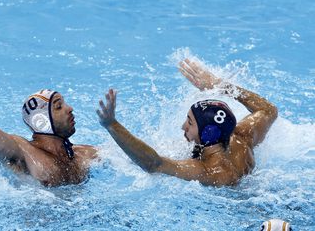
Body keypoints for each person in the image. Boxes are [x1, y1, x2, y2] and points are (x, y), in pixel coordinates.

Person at [96, 58, 278, 186]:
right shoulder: (241, 136)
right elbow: (269, 110)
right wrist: (219, 84)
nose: (183, 126)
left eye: (190, 123)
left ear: (209, 133)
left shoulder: (212, 172)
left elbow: (154, 164)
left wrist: (112, 125)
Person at [0, 73, 97, 187]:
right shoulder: (24, 152)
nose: (70, 109)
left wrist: (110, 124)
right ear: (41, 121)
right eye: (58, 106)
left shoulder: (83, 154)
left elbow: (118, 154)